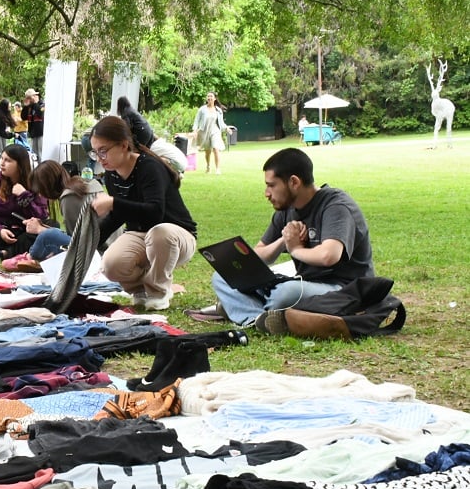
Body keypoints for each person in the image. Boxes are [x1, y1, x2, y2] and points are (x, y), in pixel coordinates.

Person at [199, 147, 374, 331]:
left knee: (284, 293)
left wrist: (296, 249)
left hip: (344, 289)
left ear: (294, 182)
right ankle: (257, 318)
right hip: (305, 284)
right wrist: (284, 240)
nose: (267, 193)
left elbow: (328, 255)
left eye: (272, 185)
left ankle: (242, 308)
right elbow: (259, 255)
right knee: (223, 277)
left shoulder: (336, 205)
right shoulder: (287, 209)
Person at [89, 116, 198, 311]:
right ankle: (139, 290)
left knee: (159, 233)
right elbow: (118, 216)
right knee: (110, 264)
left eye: (103, 151)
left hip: (176, 236)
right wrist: (89, 241)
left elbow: (154, 213)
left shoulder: (149, 167)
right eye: (95, 152)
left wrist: (113, 202)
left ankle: (159, 292)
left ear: (124, 145)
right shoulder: (112, 174)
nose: (99, 158)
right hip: (141, 235)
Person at [2, 160, 106, 271]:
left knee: (47, 235)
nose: (40, 195)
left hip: (96, 253)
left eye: (40, 190)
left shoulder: (69, 197)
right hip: (104, 247)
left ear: (48, 185)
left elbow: (76, 241)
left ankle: (30, 258)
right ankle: (36, 259)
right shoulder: (84, 185)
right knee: (51, 232)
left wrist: (40, 230)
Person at [192, 91, 229, 175]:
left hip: (215, 130)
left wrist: (226, 128)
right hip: (204, 131)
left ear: (215, 98)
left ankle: (218, 169)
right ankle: (208, 166)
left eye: (211, 96)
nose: (209, 98)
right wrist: (195, 130)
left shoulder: (218, 110)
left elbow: (221, 123)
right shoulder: (202, 109)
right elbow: (196, 121)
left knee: (216, 148)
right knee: (207, 151)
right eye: (208, 96)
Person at [21, 88, 44, 161]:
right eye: (27, 98)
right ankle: (36, 166)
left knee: (40, 153)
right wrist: (25, 106)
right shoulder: (29, 107)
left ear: (34, 96)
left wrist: (35, 103)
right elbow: (23, 117)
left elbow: (40, 114)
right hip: (33, 133)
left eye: (29, 98)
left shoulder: (42, 104)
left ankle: (42, 167)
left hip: (41, 133)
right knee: (34, 154)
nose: (28, 100)